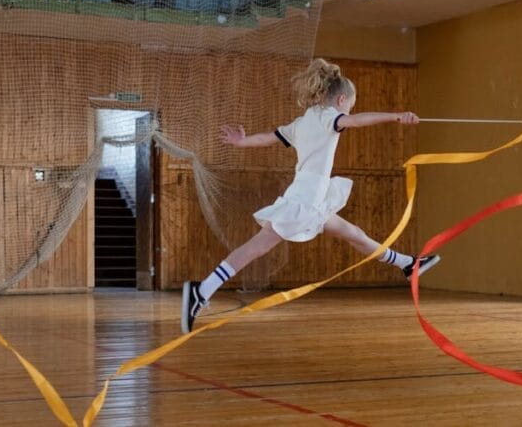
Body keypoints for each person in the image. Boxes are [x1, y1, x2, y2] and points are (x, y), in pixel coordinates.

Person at [181, 58, 440, 333]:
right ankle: (202, 290)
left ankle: (407, 264)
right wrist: (396, 116)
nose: (350, 110)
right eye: (351, 104)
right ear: (341, 99)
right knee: (257, 246)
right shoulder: (331, 118)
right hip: (306, 198)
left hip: (313, 196)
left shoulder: (302, 122)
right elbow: (357, 121)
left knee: (353, 233)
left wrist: (242, 141)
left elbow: (269, 137)